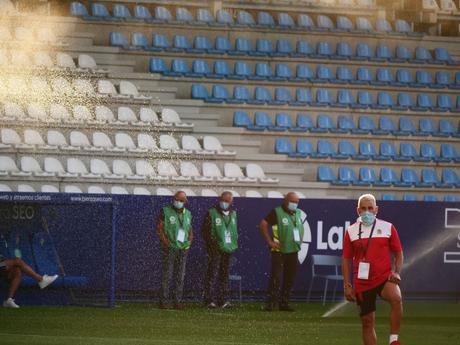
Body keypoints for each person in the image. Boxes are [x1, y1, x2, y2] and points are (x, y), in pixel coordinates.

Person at [342, 194, 404, 345]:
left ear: (376, 209)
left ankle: (394, 340)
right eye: (363, 208)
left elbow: (399, 253)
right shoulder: (351, 231)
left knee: (396, 298)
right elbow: (346, 259)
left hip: (384, 277)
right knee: (367, 322)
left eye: (370, 208)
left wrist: (396, 272)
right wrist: (347, 285)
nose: (367, 211)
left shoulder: (388, 227)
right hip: (362, 282)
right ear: (358, 210)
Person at [259, 192, 303, 311]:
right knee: (276, 278)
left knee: (290, 278)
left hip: (293, 250)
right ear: (286, 201)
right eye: (292, 202)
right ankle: (270, 303)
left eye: (297, 202)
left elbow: (299, 228)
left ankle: (284, 303)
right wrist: (269, 241)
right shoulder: (277, 212)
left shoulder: (298, 213)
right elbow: (263, 224)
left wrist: (299, 241)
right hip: (279, 250)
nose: (295, 204)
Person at [157, 191, 193, 310]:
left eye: (181, 200)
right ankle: (164, 301)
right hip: (170, 248)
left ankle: (177, 301)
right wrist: (165, 242)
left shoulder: (188, 213)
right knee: (168, 275)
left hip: (183, 249)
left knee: (180, 276)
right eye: (176, 199)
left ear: (185, 202)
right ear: (173, 199)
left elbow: (190, 229)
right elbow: (159, 228)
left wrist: (190, 240)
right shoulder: (165, 211)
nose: (178, 202)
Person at [202, 191, 238, 309]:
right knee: (212, 274)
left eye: (227, 201)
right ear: (219, 199)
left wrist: (233, 244)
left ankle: (223, 300)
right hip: (215, 249)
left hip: (228, 248)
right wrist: (212, 245)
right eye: (223, 200)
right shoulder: (211, 212)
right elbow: (205, 231)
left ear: (231, 202)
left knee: (225, 274)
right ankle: (209, 300)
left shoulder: (233, 214)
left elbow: (233, 231)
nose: (224, 203)